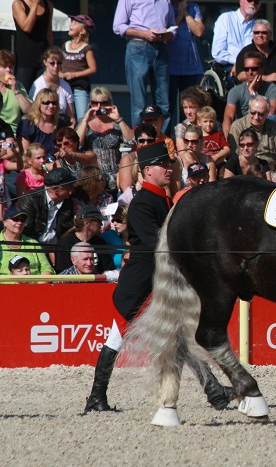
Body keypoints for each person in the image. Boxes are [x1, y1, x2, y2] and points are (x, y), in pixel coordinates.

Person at [84, 141, 231, 413]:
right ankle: (96, 397)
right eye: (163, 165)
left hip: (155, 282)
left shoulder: (160, 199)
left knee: (179, 336)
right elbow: (157, 244)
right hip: (140, 285)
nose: (169, 169)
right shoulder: (142, 203)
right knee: (118, 338)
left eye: (169, 165)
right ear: (148, 170)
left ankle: (214, 390)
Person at [112, 0, 175, 128]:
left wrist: (168, 34)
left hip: (161, 48)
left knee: (164, 102)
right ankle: (140, 143)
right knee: (139, 102)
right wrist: (144, 34)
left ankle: (163, 142)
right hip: (138, 47)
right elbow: (118, 27)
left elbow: (171, 25)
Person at [162, 0, 205, 120]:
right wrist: (179, 14)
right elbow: (166, 32)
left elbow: (199, 31)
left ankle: (188, 139)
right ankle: (166, 140)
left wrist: (186, 12)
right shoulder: (163, 6)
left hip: (190, 65)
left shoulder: (194, 8)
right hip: (170, 65)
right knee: (168, 107)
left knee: (190, 107)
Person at [76, 87, 134, 189]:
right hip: (92, 178)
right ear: (90, 104)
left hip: (114, 179)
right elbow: (77, 144)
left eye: (103, 103)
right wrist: (85, 120)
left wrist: (119, 119)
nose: (99, 107)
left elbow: (132, 141)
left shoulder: (116, 124)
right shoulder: (84, 123)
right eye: (95, 103)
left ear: (110, 103)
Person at [226, 96, 276, 181]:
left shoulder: (274, 127)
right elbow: (237, 156)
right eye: (253, 113)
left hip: (273, 172)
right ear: (249, 110)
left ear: (267, 113)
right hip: (249, 173)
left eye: (261, 114)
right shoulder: (238, 126)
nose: (256, 117)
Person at [13, 0, 55, 88]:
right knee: (24, 97)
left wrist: (52, 54)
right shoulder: (18, 4)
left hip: (43, 59)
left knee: (43, 96)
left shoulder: (48, 5)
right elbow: (26, 27)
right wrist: (35, 4)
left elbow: (49, 32)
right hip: (25, 60)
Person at [221, 51, 276, 138]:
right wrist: (229, 139)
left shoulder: (273, 89)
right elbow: (228, 117)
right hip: (243, 130)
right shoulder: (235, 91)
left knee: (274, 119)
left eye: (254, 69)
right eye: (246, 69)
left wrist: (252, 92)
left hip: (264, 129)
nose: (250, 72)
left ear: (262, 69)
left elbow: (271, 112)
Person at [211, 0, 261, 71]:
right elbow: (218, 53)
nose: (252, 3)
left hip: (251, 67)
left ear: (259, 5)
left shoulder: (258, 25)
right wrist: (239, 62)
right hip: (228, 65)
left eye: (256, 1)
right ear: (241, 1)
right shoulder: (226, 18)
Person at [56, 205, 114, 275]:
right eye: (98, 221)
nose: (101, 224)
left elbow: (108, 269)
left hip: (98, 283)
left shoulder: (100, 242)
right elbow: (63, 271)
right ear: (87, 223)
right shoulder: (66, 242)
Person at [60, 14, 97, 121]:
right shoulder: (65, 45)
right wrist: (59, 73)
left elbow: (93, 68)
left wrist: (74, 74)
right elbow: (58, 62)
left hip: (79, 88)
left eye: (75, 23)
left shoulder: (86, 48)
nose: (71, 25)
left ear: (82, 31)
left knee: (82, 117)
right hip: (64, 86)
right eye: (71, 22)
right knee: (64, 116)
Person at [233, 19, 276, 84]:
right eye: (256, 32)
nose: (260, 35)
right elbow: (240, 76)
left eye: (264, 32)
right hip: (254, 91)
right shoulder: (245, 52)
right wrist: (265, 78)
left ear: (270, 34)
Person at [0, 206, 53, 276]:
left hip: (34, 286)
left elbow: (46, 268)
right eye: (15, 219)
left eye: (23, 220)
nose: (19, 223)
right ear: (4, 222)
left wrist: (40, 285)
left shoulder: (33, 243)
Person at [18, 88, 68, 157]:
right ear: (38, 104)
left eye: (54, 103)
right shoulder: (27, 124)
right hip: (34, 165)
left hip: (57, 163)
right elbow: (25, 154)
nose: (51, 106)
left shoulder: (61, 123)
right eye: (46, 102)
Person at [29, 47, 75, 121]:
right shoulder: (37, 85)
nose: (56, 66)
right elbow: (33, 113)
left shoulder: (66, 86)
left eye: (59, 63)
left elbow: (71, 118)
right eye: (52, 63)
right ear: (45, 62)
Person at [0, 51, 33, 134]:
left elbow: (30, 111)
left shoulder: (18, 85)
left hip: (15, 134)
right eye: (4, 66)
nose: (9, 70)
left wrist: (16, 90)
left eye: (11, 67)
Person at [100, 203, 128, 270]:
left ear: (128, 219)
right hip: (114, 278)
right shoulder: (109, 236)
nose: (114, 223)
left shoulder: (139, 237)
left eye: (118, 220)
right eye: (113, 220)